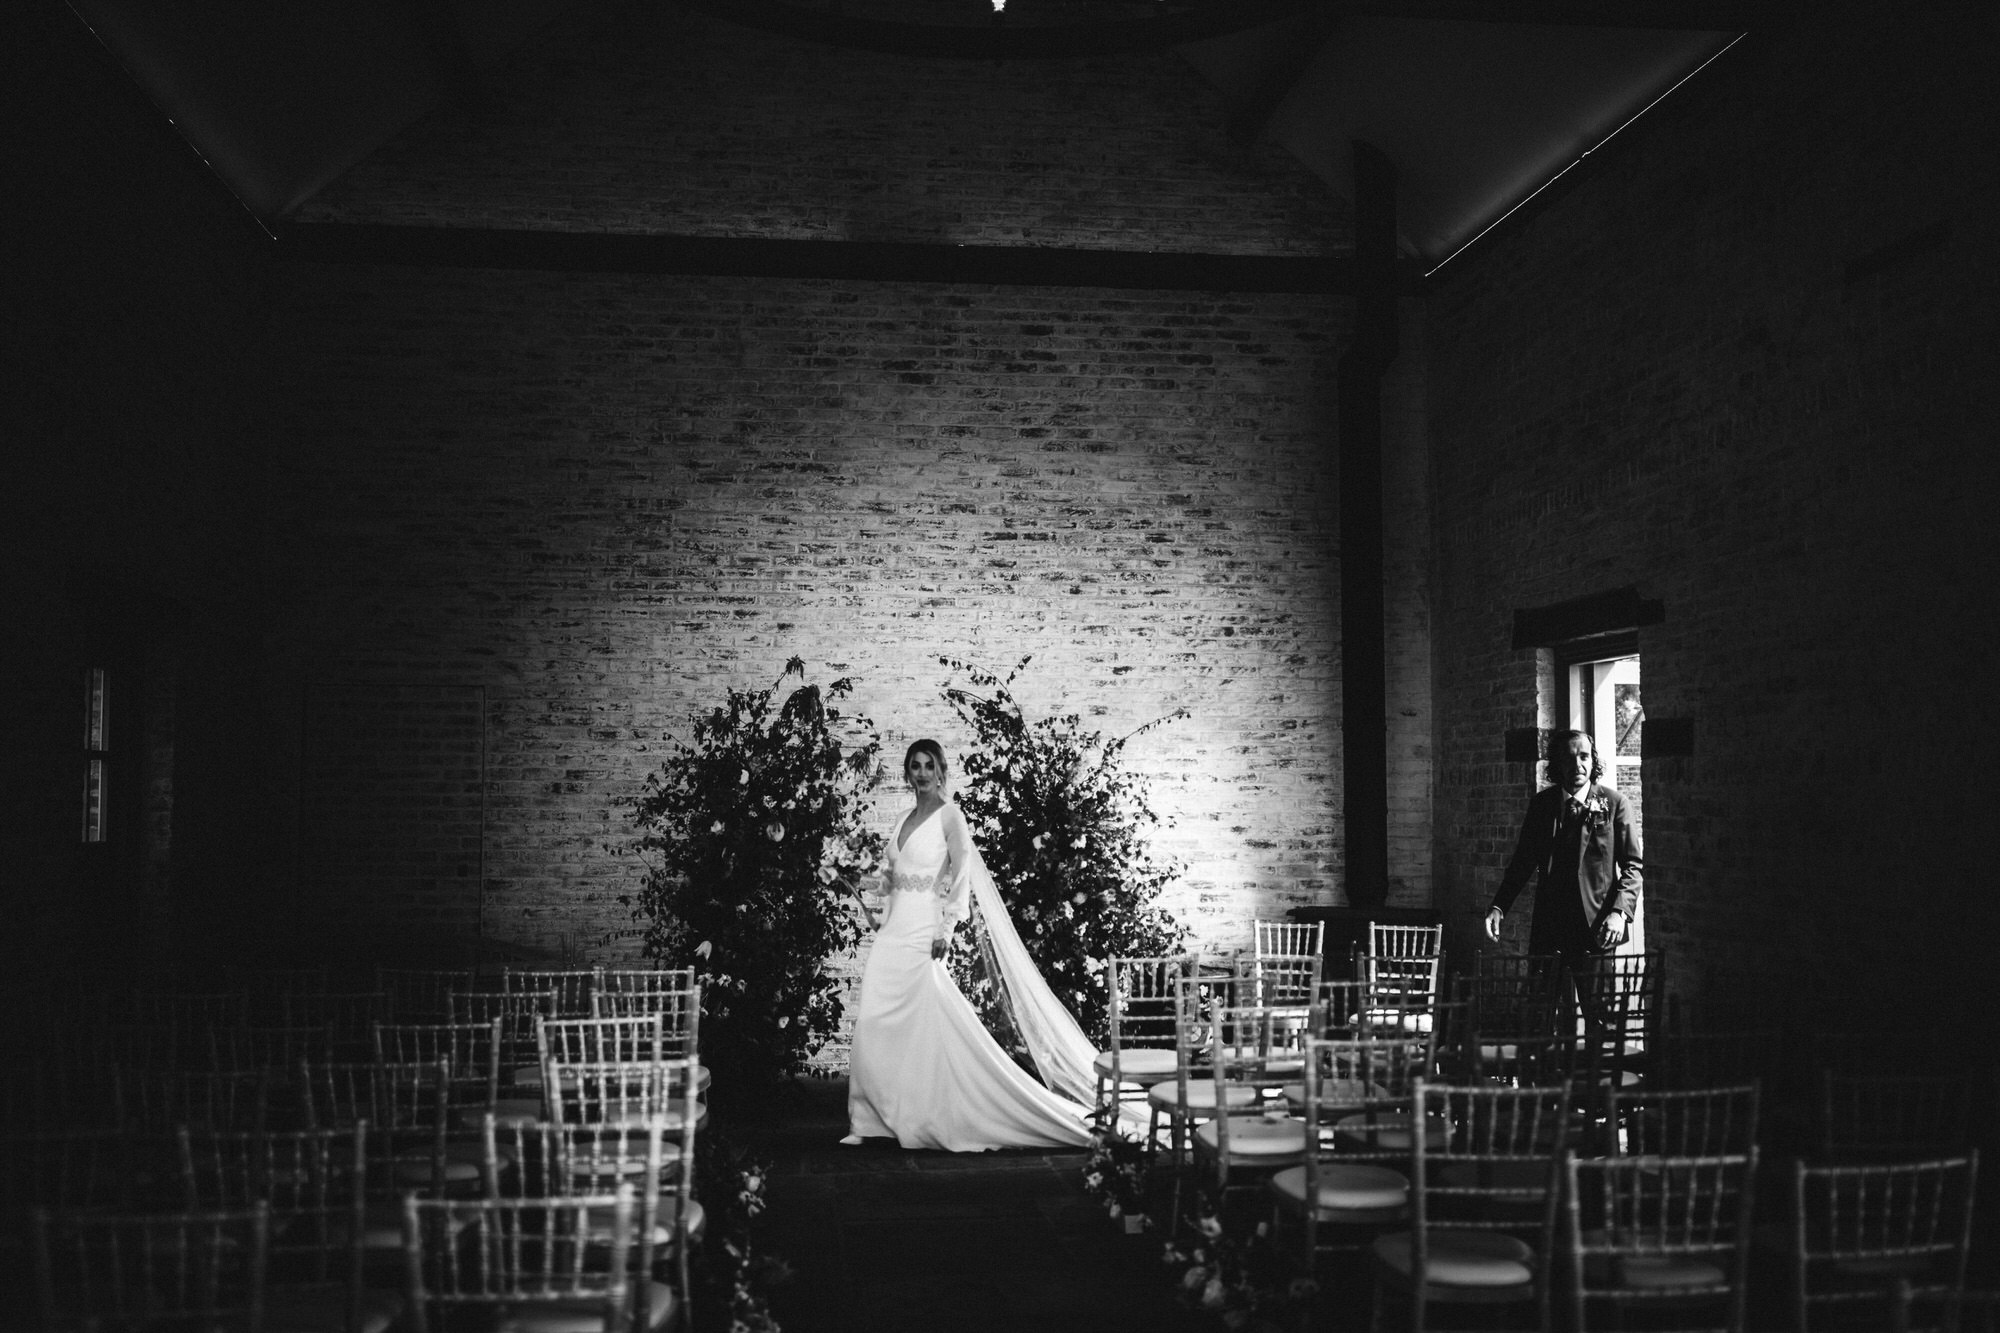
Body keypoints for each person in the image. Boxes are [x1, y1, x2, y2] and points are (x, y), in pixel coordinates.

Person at [841, 740, 1093, 1151]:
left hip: (924, 929)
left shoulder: (950, 816)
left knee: (924, 1022)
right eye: (914, 766)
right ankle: (868, 1118)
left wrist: (948, 928)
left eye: (928, 766)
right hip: (892, 930)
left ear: (941, 771)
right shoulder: (904, 817)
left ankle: (923, 1113)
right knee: (873, 1020)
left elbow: (961, 874)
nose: (921, 773)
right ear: (907, 772)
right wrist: (852, 876)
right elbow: (890, 877)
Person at [1483, 729, 1642, 961]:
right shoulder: (1542, 805)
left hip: (1597, 926)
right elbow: (1523, 861)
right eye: (1568, 758)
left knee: (1596, 998)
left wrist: (1619, 913)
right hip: (1550, 926)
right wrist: (1499, 906)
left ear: (1593, 760)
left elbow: (1633, 866)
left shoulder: (1616, 804)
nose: (1577, 765)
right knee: (1542, 997)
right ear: (1558, 764)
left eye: (1584, 757)